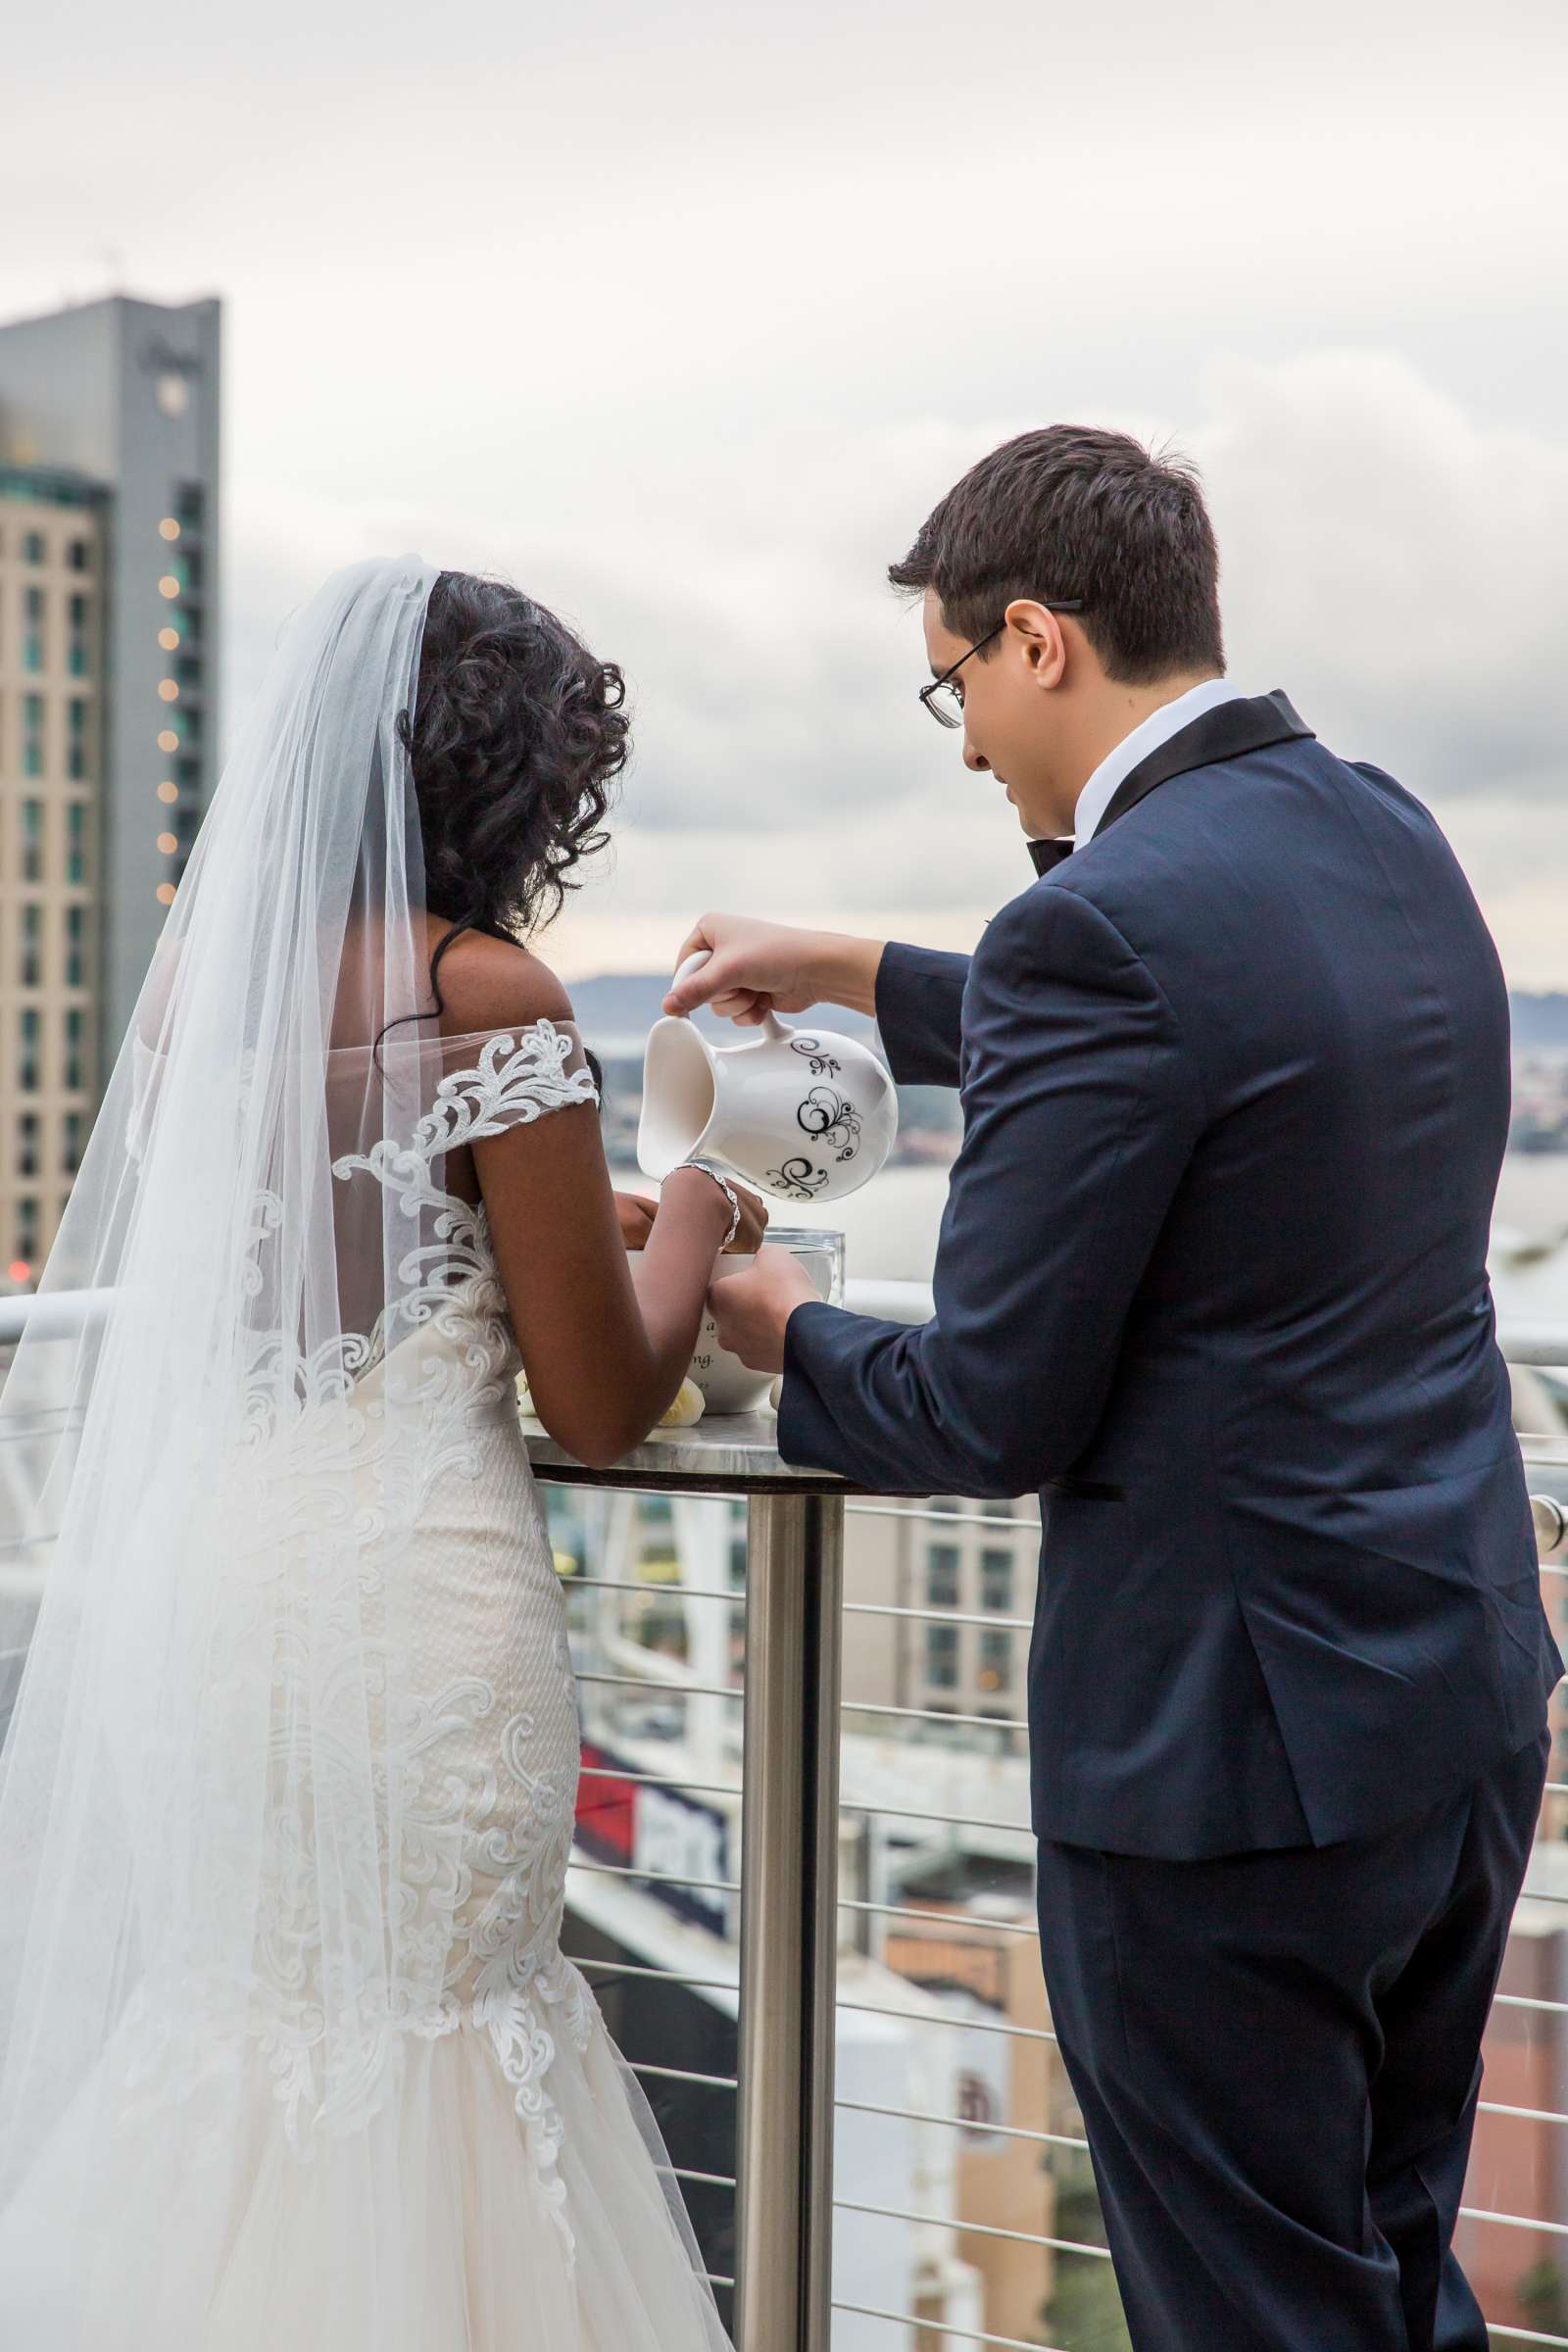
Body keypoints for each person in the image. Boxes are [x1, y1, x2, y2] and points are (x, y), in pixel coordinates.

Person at [671, 426, 1565, 2351]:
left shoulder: (1099, 925)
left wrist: (771, 1325)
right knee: (1392, 2270)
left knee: (1248, 2311)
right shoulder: (1374, 823)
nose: (968, 743)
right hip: (1450, 1700)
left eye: (954, 689)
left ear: (1037, 640)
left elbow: (987, 1409)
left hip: (1226, 1765)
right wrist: (850, 963)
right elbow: (1214, 1021)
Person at [0, 557, 763, 2348]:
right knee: (435, 2051)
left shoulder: (207, 991)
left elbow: (330, 1253)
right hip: (413, 1616)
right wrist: (707, 1206)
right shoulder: (489, 995)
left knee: (244, 2037)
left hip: (220, 1595)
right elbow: (597, 1398)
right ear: (513, 787)